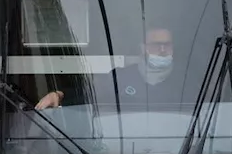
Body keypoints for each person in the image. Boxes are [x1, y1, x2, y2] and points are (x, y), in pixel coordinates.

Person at [35, 27, 186, 109]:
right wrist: (60, 96)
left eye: (167, 44)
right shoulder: (121, 77)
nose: (162, 49)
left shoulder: (187, 80)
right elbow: (89, 93)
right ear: (143, 48)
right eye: (156, 45)